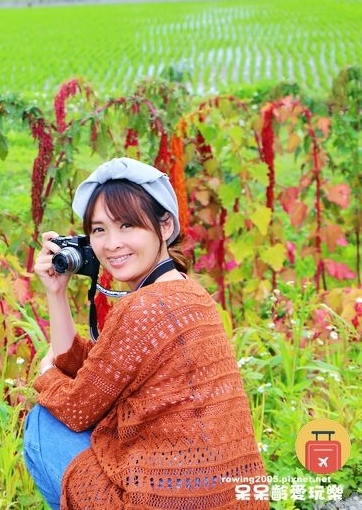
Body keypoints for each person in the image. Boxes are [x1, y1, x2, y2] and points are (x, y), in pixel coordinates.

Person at [23, 157, 268, 509]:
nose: (111, 244)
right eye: (98, 230)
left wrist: (46, 376)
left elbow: (76, 408)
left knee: (43, 423)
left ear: (165, 225)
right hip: (232, 500)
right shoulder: (191, 293)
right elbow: (94, 375)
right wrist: (56, 293)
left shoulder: (145, 307)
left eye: (127, 225)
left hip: (163, 499)